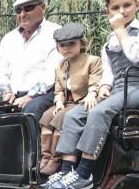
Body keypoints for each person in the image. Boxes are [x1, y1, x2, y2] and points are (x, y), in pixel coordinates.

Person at [43, 0, 139, 189]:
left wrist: (120, 30)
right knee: (73, 115)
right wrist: (103, 88)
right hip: (118, 89)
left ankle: (85, 173)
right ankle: (66, 169)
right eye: (115, 8)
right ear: (107, 10)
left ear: (137, 5)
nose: (121, 12)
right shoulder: (110, 42)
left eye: (126, 5)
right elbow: (109, 71)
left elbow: (136, 55)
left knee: (100, 111)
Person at [38, 23, 102, 176]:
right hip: (67, 103)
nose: (66, 48)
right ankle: (45, 157)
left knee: (61, 118)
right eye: (62, 45)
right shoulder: (60, 65)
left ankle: (56, 159)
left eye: (72, 44)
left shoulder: (92, 61)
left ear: (82, 44)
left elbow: (96, 81)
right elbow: (59, 89)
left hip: (83, 102)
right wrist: (59, 102)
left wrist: (92, 93)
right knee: (46, 117)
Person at [0, 0, 62, 124]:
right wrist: (6, 93)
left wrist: (30, 96)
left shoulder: (55, 33)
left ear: (43, 7)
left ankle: (31, 146)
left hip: (44, 93)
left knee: (30, 112)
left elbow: (52, 74)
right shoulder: (8, 39)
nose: (23, 14)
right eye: (18, 10)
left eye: (28, 8)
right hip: (13, 95)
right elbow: (1, 72)